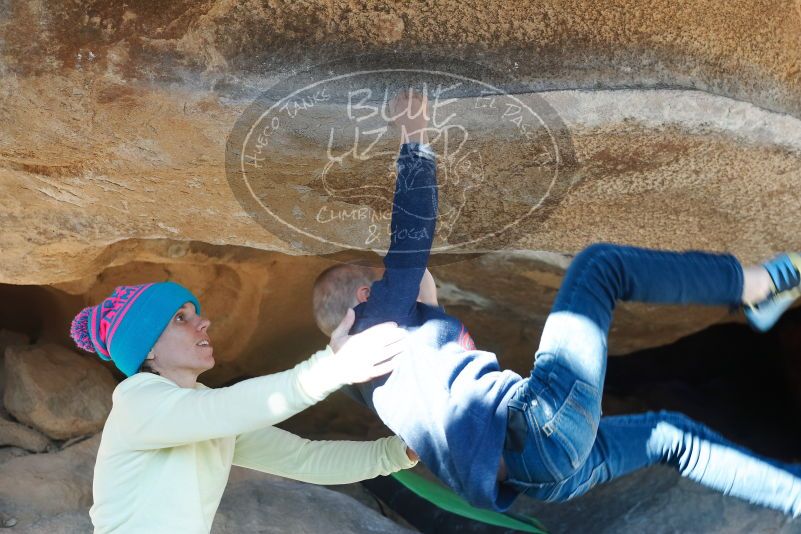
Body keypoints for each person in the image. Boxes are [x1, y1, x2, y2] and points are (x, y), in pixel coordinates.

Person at [312, 88, 801, 516]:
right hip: (537, 428)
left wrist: (432, 309)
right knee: (600, 269)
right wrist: (412, 134)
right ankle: (761, 285)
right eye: (382, 281)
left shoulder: (376, 380)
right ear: (364, 295)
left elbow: (434, 390)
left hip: (545, 479)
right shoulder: (371, 321)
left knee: (670, 437)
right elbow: (411, 235)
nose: (392, 283)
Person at [69, 281, 418, 533]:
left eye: (196, 314)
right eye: (180, 317)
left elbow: (303, 459)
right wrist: (331, 367)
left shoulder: (201, 413)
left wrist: (397, 454)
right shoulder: (138, 400)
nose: (202, 322)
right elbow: (228, 408)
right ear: (147, 350)